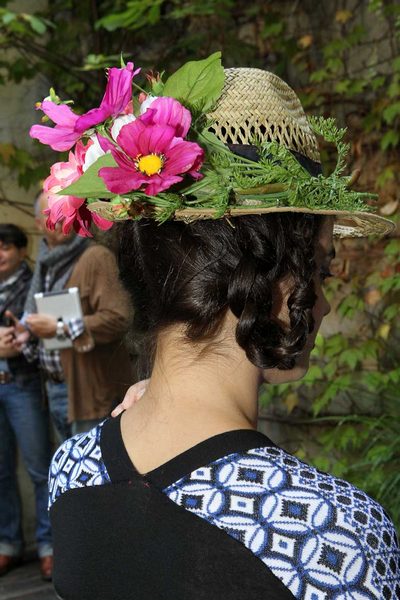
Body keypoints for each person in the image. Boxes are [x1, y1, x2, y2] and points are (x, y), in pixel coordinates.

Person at [32, 59, 399, 599]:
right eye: (320, 269)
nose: (322, 304)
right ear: (271, 279)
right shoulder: (328, 535)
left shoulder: (74, 470)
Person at [13, 193, 133, 440]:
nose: (61, 221)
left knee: (90, 463)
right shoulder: (46, 263)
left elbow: (119, 318)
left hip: (91, 391)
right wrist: (27, 334)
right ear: (39, 224)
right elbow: (45, 319)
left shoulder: (95, 257)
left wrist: (61, 327)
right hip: (54, 387)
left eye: (65, 213)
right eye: (52, 215)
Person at [0, 224, 53, 580]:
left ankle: (49, 546)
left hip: (24, 384)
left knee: (39, 468)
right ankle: (8, 543)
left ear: (22, 251)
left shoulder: (35, 283)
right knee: (1, 470)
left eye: (5, 247)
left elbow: (43, 332)